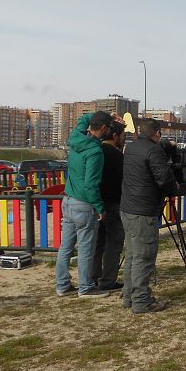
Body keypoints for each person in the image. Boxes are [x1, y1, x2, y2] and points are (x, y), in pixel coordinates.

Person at [120, 118, 179, 314]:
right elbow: (164, 178)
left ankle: (129, 296)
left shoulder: (132, 147)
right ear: (157, 133)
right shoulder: (153, 151)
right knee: (144, 257)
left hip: (127, 208)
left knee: (132, 254)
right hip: (143, 210)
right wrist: (175, 188)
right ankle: (142, 300)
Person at [55, 111, 112, 298]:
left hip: (68, 200)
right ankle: (86, 287)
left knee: (66, 247)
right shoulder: (95, 152)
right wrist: (100, 207)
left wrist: (100, 115)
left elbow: (82, 120)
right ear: (103, 128)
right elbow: (91, 184)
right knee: (86, 248)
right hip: (84, 204)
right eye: (108, 127)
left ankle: (62, 284)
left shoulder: (76, 138)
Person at [92, 116, 126, 291]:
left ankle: (93, 277)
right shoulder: (117, 156)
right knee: (114, 244)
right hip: (114, 203)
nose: (124, 139)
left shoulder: (96, 151)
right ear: (115, 136)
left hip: (98, 203)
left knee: (98, 243)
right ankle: (108, 280)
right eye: (123, 135)